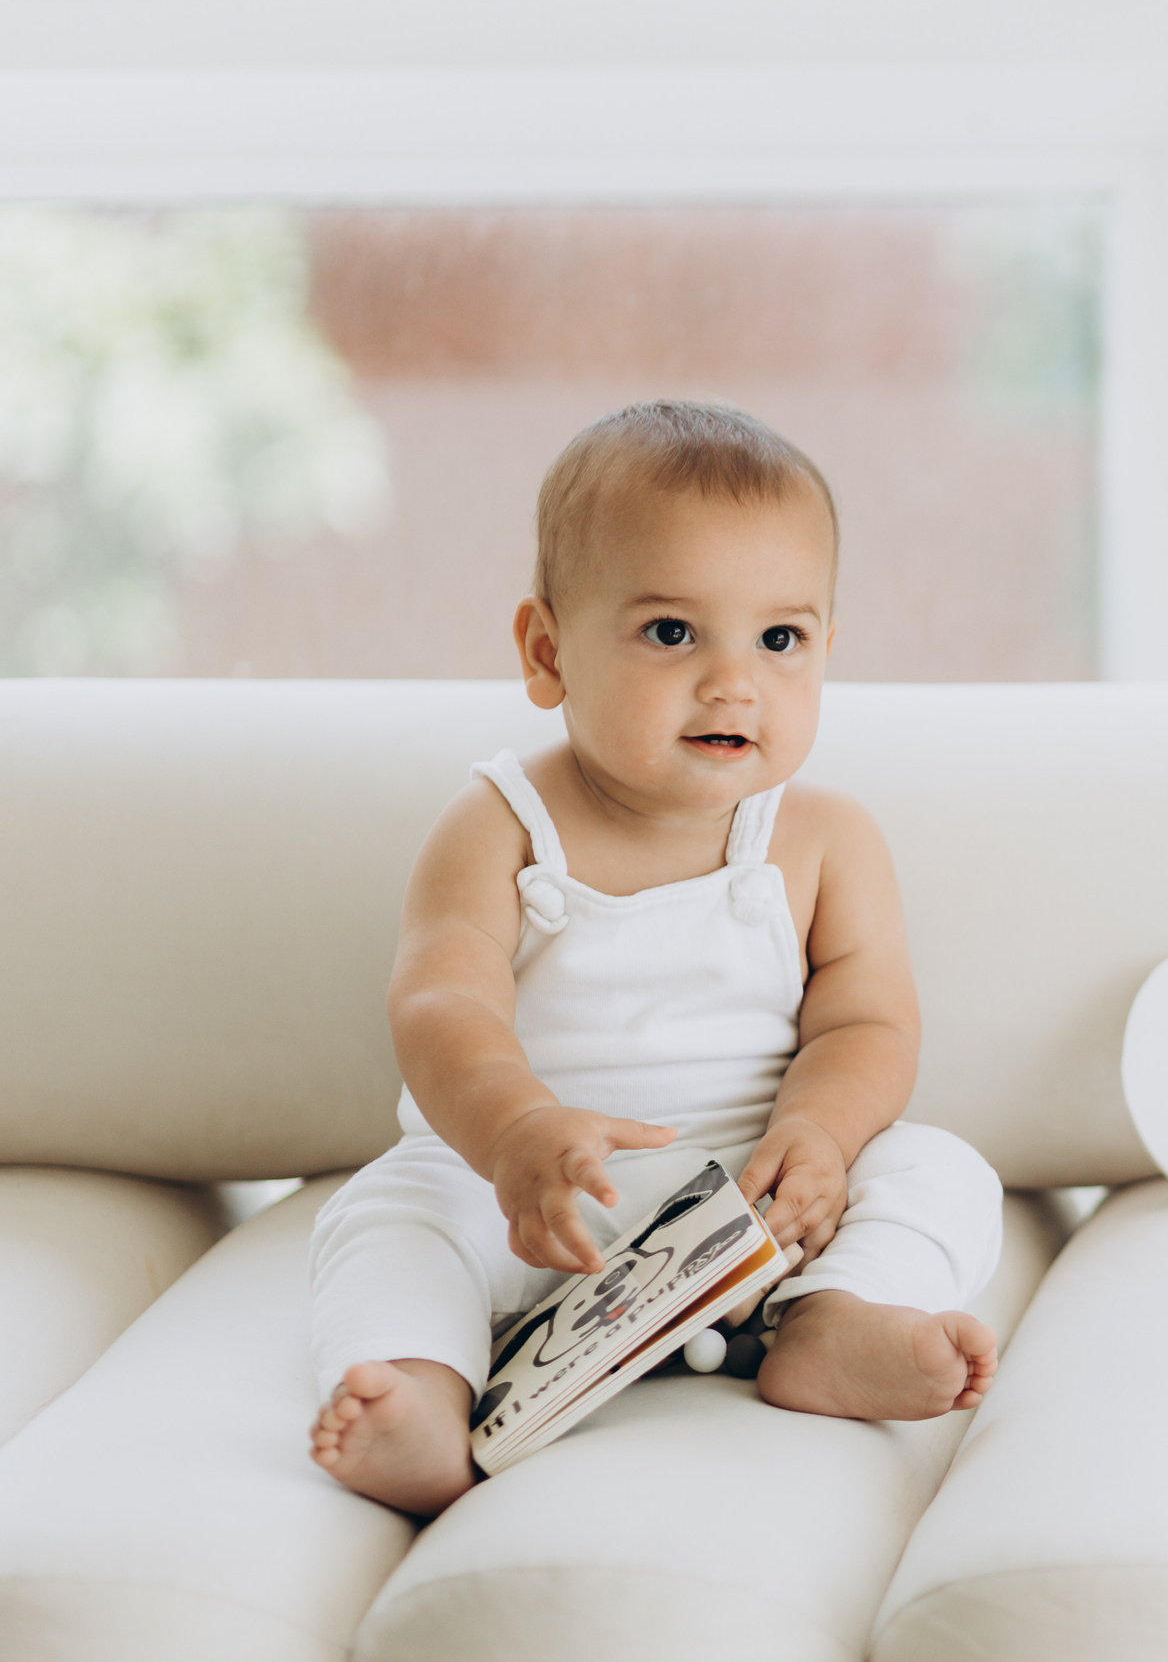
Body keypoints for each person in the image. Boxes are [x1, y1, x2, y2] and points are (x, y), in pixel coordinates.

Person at [305, 400, 1005, 1517]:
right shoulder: (499, 826)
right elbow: (443, 1002)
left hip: (754, 1187)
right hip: (524, 1192)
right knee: (390, 1220)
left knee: (942, 1172)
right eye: (674, 633)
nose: (735, 682)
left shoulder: (824, 839)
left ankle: (831, 1322)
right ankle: (424, 1396)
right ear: (547, 652)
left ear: (826, 646)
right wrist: (514, 1133)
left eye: (780, 640)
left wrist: (819, 1137)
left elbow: (866, 1022)